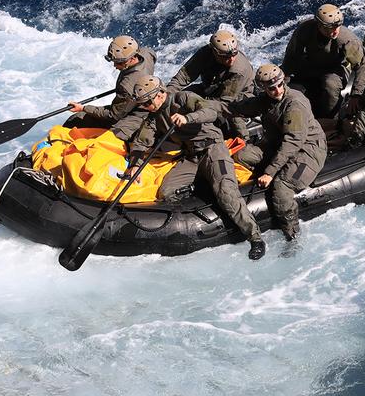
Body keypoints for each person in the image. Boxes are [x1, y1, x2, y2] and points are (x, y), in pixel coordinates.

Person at [114, 75, 265, 260]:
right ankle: (202, 186)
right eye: (143, 104)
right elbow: (141, 142)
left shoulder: (183, 98)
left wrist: (188, 118)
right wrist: (135, 165)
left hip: (213, 149)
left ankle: (255, 237)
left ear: (160, 95)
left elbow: (210, 112)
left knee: (226, 191)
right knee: (166, 191)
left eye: (147, 103)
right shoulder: (153, 117)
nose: (145, 107)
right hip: (192, 157)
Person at [221, 64, 326, 243]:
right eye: (271, 88)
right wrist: (204, 109)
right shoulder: (266, 100)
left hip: (307, 150)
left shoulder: (294, 104)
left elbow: (293, 142)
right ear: (263, 88)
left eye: (279, 85)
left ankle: (292, 235)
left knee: (281, 187)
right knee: (242, 155)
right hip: (279, 146)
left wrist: (270, 172)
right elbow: (239, 108)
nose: (277, 90)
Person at [279, 3, 365, 124]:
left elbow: (363, 65)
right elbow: (292, 56)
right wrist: (283, 79)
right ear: (319, 25)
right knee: (288, 87)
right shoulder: (305, 30)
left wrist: (356, 94)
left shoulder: (346, 39)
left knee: (330, 85)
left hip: (335, 69)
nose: (334, 31)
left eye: (337, 26)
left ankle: (330, 121)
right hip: (311, 65)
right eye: (329, 27)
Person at [66, 35, 156, 128]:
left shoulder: (127, 86)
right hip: (138, 100)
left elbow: (113, 115)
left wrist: (83, 108)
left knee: (76, 119)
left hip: (134, 114)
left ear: (132, 58)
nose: (115, 65)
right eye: (114, 61)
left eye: (119, 62)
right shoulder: (147, 53)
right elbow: (152, 55)